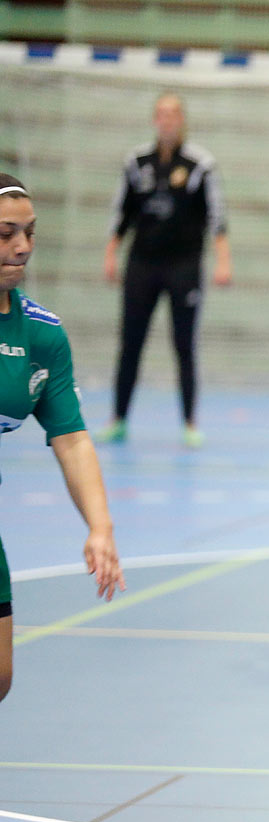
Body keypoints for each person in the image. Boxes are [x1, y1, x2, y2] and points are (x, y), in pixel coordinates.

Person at [0, 174, 127, 702]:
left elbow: (71, 438)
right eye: (7, 233)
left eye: (29, 232)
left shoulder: (41, 334)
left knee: (0, 677)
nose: (23, 246)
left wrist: (100, 526)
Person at [102, 92, 231, 448]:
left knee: (184, 344)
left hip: (184, 266)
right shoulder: (137, 161)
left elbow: (216, 215)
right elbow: (121, 213)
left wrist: (223, 259)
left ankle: (190, 422)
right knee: (130, 342)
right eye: (161, 113)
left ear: (183, 119)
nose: (167, 120)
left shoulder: (200, 164)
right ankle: (118, 419)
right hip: (141, 263)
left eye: (173, 114)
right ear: (154, 119)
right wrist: (111, 252)